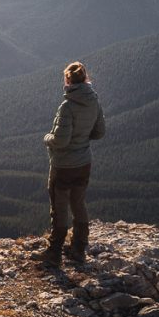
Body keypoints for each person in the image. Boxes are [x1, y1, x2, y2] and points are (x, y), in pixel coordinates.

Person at [31, 61, 106, 266]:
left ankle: (54, 253)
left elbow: (60, 140)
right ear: (85, 78)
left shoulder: (67, 106)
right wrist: (81, 138)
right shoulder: (94, 101)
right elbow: (99, 132)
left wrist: (47, 138)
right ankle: (79, 248)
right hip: (84, 164)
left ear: (68, 80)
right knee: (78, 203)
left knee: (59, 207)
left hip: (63, 166)